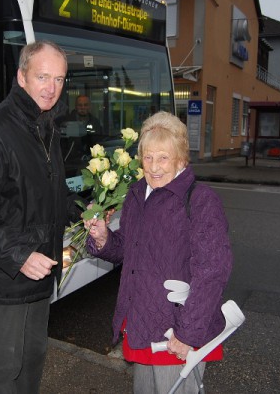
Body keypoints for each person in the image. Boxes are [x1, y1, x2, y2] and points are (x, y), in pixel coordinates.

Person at [85, 111, 233, 394]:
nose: (154, 167)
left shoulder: (201, 201)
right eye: (148, 157)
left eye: (163, 157)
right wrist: (104, 238)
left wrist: (186, 335)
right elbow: (129, 251)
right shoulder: (138, 194)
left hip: (176, 333)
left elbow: (213, 271)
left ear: (181, 159)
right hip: (143, 325)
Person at [0, 40, 74, 393]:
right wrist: (20, 256)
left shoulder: (46, 127)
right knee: (4, 365)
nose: (51, 88)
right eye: (43, 76)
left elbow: (55, 196)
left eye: (58, 79)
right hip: (10, 275)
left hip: (43, 269)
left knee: (33, 356)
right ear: (21, 76)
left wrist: (89, 214)